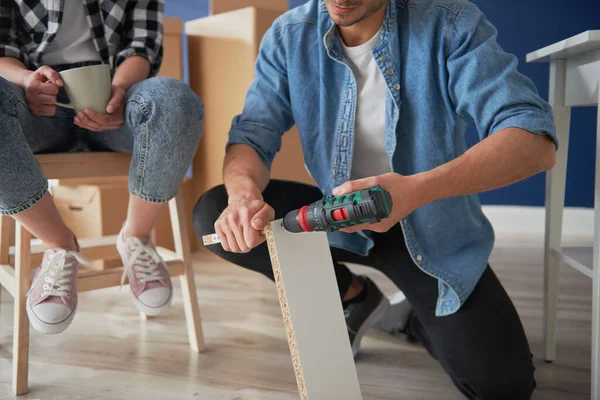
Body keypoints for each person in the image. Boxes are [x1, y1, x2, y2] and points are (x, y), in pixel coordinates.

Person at [193, 0, 557, 398]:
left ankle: (414, 319)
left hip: (429, 224)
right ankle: (355, 297)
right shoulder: (288, 36)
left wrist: (416, 190)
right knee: (216, 212)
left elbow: (533, 141)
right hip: (337, 217)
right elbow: (250, 136)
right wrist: (244, 196)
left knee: (503, 385)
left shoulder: (451, 23)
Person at [0, 0, 203, 334]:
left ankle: (135, 237)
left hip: (115, 101)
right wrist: (26, 79)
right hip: (33, 106)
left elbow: (142, 46)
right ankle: (59, 244)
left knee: (175, 100)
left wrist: (120, 90)